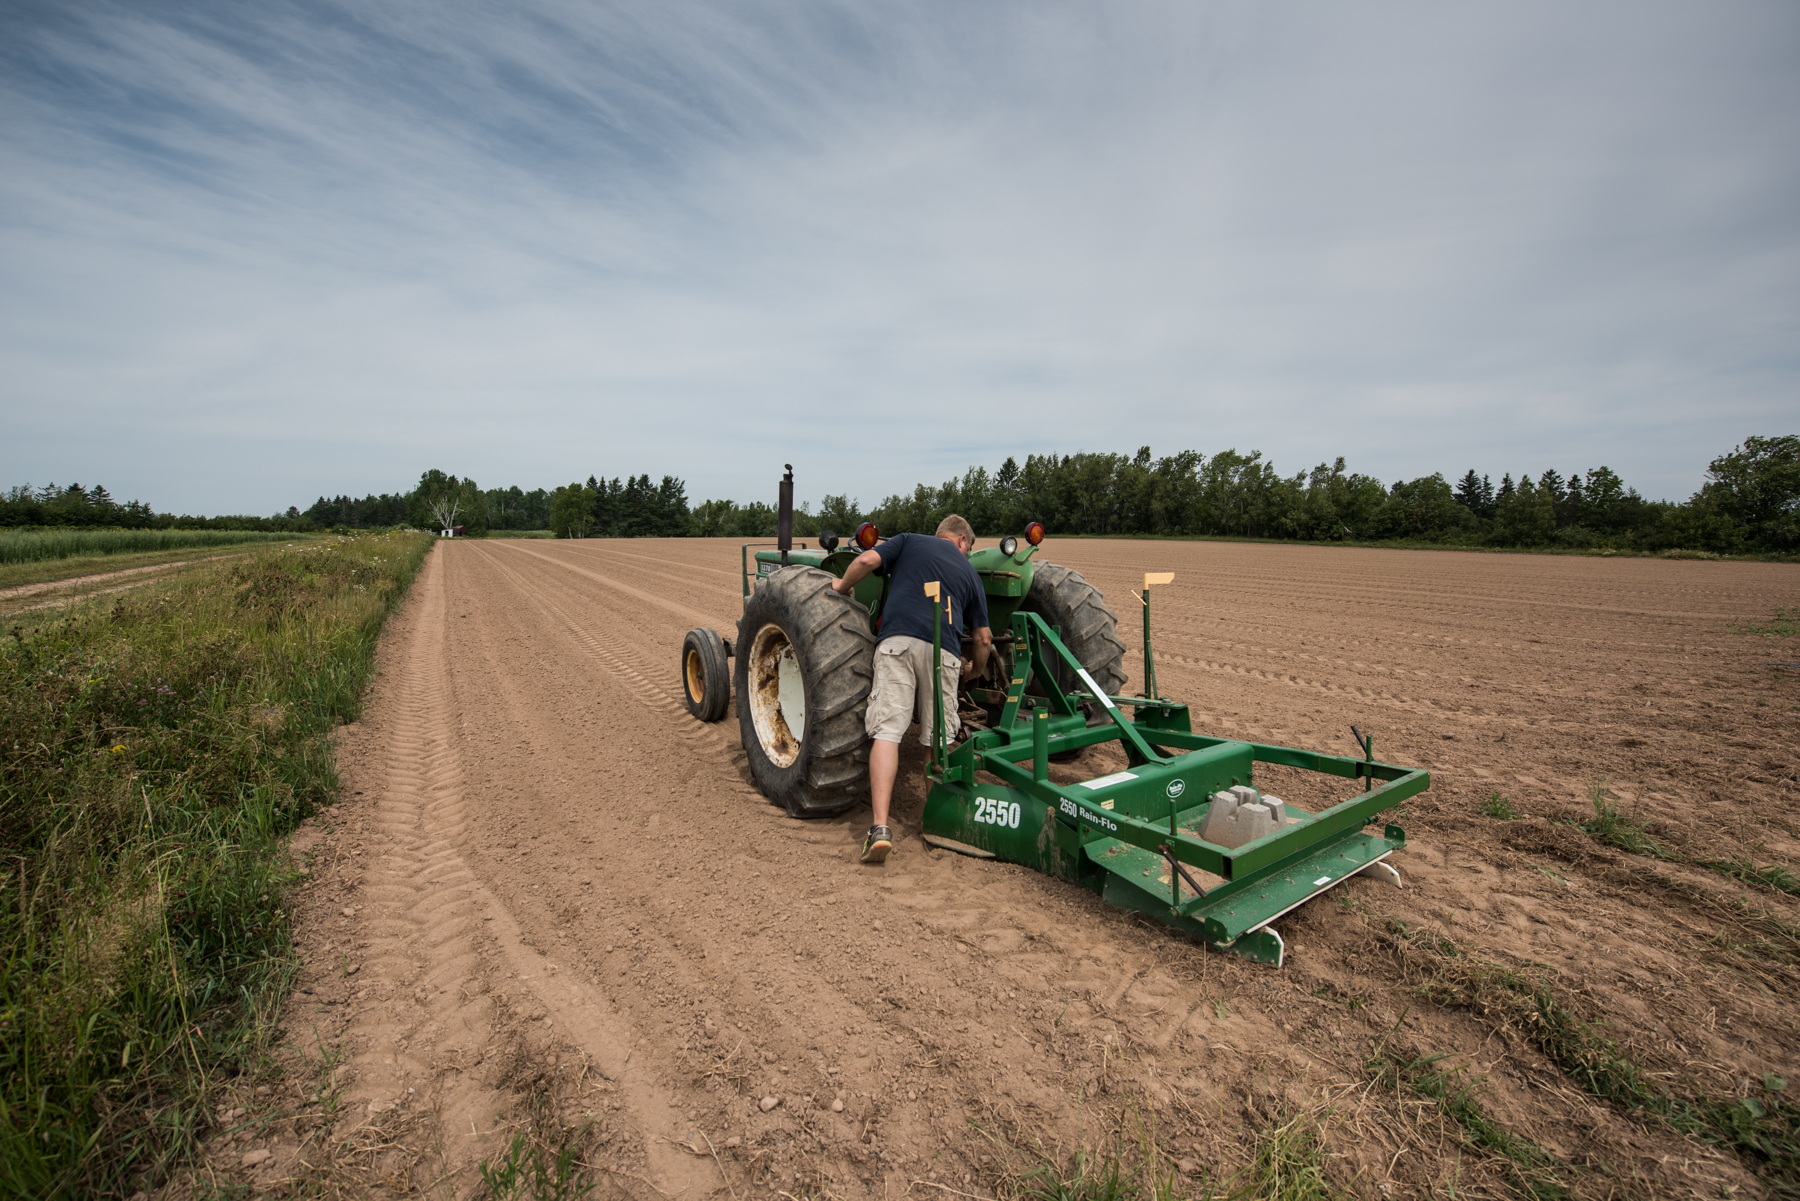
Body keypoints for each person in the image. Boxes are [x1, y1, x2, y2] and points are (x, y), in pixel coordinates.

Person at [831, 515, 992, 864]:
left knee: (887, 733)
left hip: (897, 644)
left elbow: (864, 560)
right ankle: (936, 825)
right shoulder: (969, 573)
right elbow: (982, 638)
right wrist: (974, 672)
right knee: (937, 740)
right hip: (945, 653)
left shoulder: (908, 540)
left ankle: (879, 829)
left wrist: (841, 588)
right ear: (963, 541)